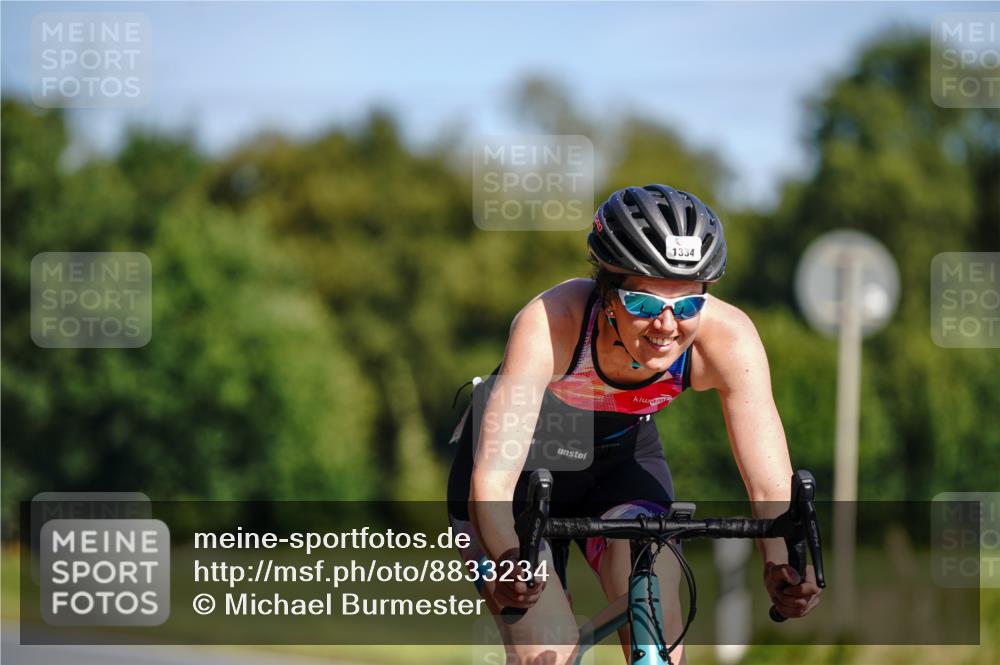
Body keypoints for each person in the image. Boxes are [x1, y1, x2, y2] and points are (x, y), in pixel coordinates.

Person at [447, 184, 822, 665]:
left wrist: (782, 562)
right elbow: (494, 479)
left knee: (658, 620)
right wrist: (506, 560)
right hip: (514, 480)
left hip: (619, 468)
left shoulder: (727, 340)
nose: (667, 325)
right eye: (643, 304)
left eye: (687, 304)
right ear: (605, 292)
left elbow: (769, 480)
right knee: (549, 651)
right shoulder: (551, 322)